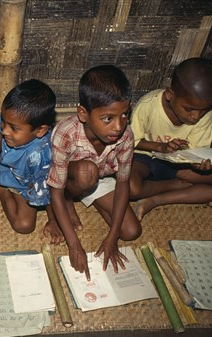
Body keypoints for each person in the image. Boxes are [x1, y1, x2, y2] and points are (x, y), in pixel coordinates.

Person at [47, 65, 142, 281]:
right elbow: (54, 191)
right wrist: (74, 245)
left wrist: (112, 237)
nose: (119, 126)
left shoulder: (125, 136)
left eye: (125, 114)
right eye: (108, 118)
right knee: (86, 173)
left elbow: (123, 184)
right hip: (72, 180)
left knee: (130, 232)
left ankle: (90, 197)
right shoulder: (66, 133)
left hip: (100, 180)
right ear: (83, 114)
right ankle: (71, 201)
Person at [129, 57, 212, 219]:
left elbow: (196, 152)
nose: (196, 116)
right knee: (131, 188)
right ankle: (176, 186)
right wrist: (161, 147)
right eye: (189, 109)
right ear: (170, 95)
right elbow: (132, 142)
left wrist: (200, 165)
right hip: (146, 157)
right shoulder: (148, 105)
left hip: (180, 165)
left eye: (204, 109)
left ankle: (156, 200)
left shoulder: (203, 114)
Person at [0, 79, 61, 240]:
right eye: (4, 122)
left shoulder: (42, 155)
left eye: (13, 128)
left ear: (40, 130)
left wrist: (53, 220)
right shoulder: (5, 124)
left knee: (24, 226)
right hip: (2, 167)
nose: (5, 130)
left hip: (24, 185)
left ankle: (2, 189)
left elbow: (49, 187)